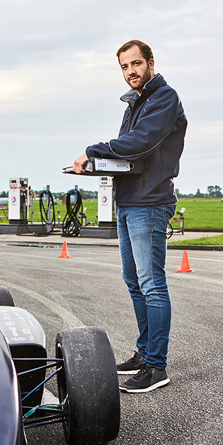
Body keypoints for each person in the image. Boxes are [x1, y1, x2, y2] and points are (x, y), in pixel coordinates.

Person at [72, 40, 187, 393]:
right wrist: (95, 166)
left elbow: (140, 142)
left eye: (136, 64)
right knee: (133, 280)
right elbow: (128, 156)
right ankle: (144, 351)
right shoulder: (135, 104)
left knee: (152, 283)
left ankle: (156, 366)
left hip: (150, 202)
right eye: (124, 67)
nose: (131, 72)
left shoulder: (164, 98)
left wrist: (92, 150)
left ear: (151, 63)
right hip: (129, 199)